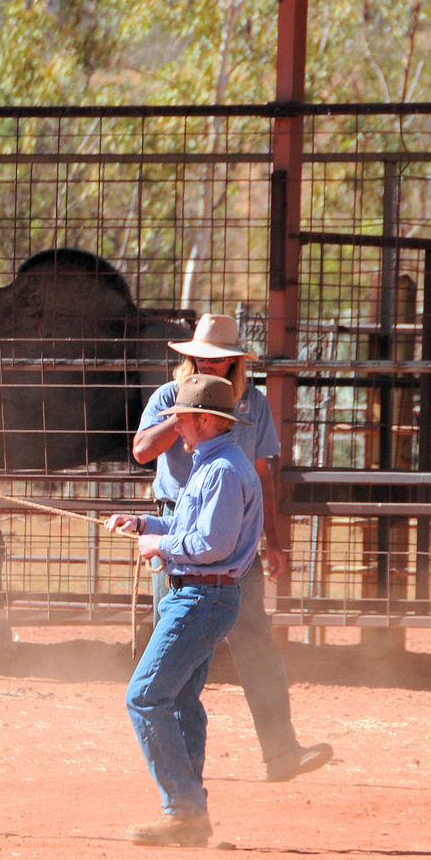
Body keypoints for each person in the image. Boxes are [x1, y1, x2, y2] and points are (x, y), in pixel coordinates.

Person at [133, 314, 333, 784]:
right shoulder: (167, 396)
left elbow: (263, 475)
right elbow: (142, 450)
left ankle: (280, 750)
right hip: (179, 528)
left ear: (233, 363)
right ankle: (181, 763)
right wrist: (184, 416)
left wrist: (274, 539)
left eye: (218, 359)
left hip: (228, 533)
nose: (208, 363)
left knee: (254, 640)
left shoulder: (254, 404)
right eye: (201, 357)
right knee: (179, 648)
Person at [105, 374, 261, 847]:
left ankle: (184, 808)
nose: (176, 426)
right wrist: (146, 523)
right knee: (180, 700)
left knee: (146, 696)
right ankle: (188, 813)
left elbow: (211, 544)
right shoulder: (215, 463)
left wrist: (160, 544)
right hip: (203, 594)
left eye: (182, 418)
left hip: (201, 596)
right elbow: (193, 527)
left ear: (207, 420)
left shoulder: (222, 471)